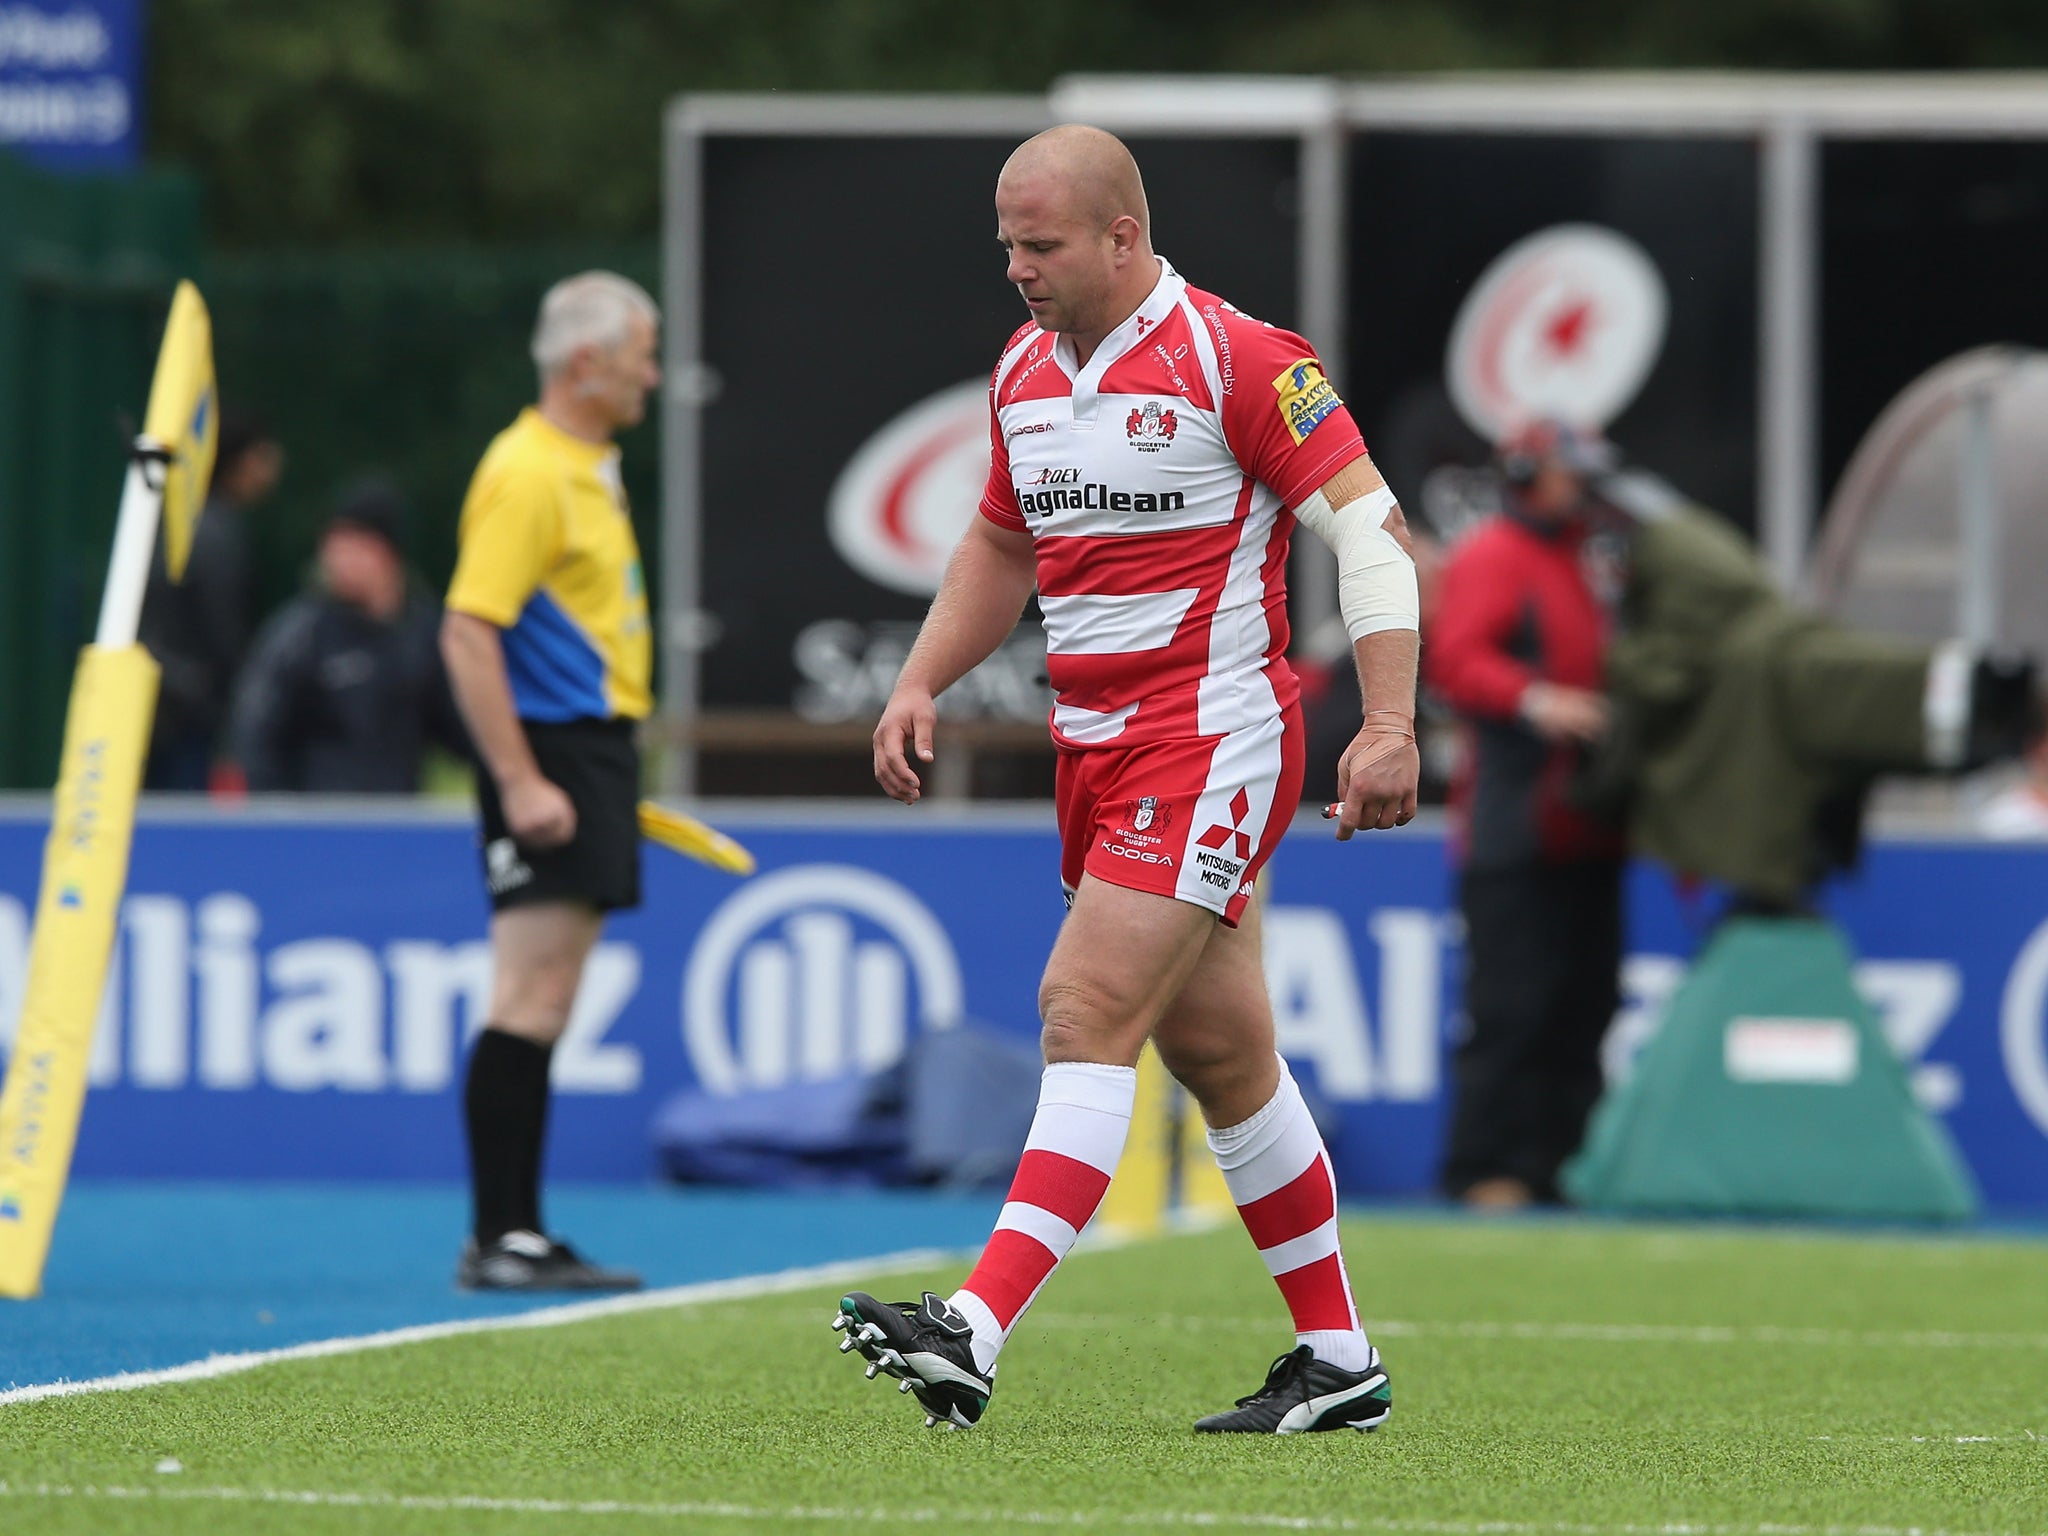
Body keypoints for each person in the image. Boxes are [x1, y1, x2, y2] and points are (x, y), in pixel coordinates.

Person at [830, 125, 1421, 1435]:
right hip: (1094, 753)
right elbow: (997, 543)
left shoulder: (1243, 359)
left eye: (1039, 246)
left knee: (1082, 1006)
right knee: (1220, 1054)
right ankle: (1339, 1364)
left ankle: (971, 1332)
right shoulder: (1024, 372)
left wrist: (1389, 723)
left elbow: (1371, 531)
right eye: (1005, 249)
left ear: (1122, 235)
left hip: (1212, 742)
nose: (1018, 271)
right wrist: (920, 678)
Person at [440, 271, 658, 1291]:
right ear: (586, 363)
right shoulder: (528, 471)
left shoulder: (585, 463)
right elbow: (467, 631)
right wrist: (522, 779)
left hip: (588, 748)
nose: (652, 378)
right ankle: (501, 1235)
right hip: (553, 749)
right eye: (639, 357)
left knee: (549, 995)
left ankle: (513, 1231)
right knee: (528, 994)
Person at [1424, 420, 1626, 1211]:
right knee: (1513, 1007)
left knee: (1586, 1002)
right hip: (1519, 824)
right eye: (1567, 473)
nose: (1582, 487)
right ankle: (1486, 1170)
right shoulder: (1493, 555)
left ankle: (1553, 1166)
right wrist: (1538, 700)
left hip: (1589, 828)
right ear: (1525, 472)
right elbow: (1456, 660)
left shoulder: (1588, 556)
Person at [227, 479, 469, 793]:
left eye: (356, 546)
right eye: (334, 546)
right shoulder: (300, 635)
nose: (340, 560)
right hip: (316, 824)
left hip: (397, 820)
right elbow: (256, 734)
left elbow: (458, 730)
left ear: (388, 554)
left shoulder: (421, 633)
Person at [139, 411, 284, 790]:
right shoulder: (217, 534)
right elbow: (223, 631)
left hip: (161, 700)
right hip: (189, 711)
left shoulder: (182, 521)